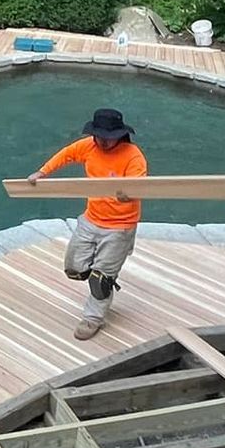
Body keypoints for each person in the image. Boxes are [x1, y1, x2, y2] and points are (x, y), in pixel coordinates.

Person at [27, 108, 148, 341]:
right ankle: (102, 276)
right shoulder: (89, 146)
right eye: (98, 136)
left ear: (120, 135)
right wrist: (42, 172)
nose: (102, 141)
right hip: (91, 219)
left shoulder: (133, 156)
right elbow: (66, 154)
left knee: (100, 280)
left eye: (107, 137)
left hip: (119, 226)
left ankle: (93, 316)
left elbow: (138, 186)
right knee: (74, 267)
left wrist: (126, 191)